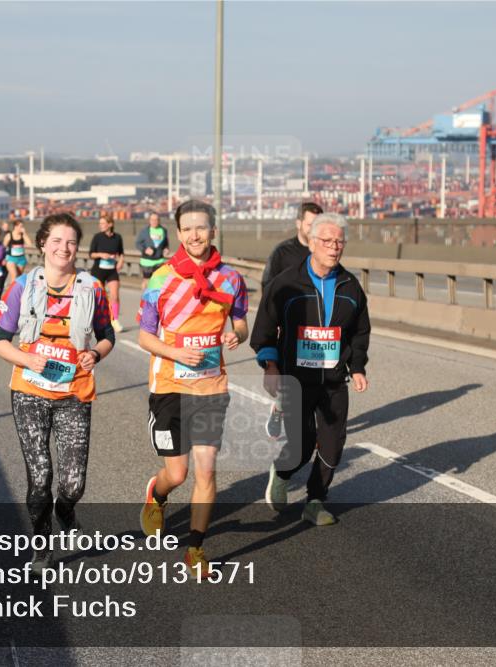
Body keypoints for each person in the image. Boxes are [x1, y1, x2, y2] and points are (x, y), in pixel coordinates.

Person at [0, 212, 115, 573]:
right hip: (29, 390)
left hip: (75, 392)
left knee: (73, 483)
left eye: (71, 242)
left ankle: (66, 510)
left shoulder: (92, 288)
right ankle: (41, 545)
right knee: (40, 476)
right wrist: (28, 360)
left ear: (78, 248)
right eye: (57, 240)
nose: (64, 248)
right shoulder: (22, 287)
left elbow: (108, 335)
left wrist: (96, 353)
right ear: (42, 243)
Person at [138, 200, 248, 575]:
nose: (194, 235)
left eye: (201, 228)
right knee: (178, 474)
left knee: (206, 472)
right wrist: (176, 353)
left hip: (211, 388)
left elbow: (241, 322)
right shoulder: (161, 278)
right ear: (179, 233)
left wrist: (238, 334)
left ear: (213, 231)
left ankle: (195, 550)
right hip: (170, 385)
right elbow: (144, 337)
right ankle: (158, 494)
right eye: (187, 229)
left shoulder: (231, 279)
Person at [250, 213, 370, 526]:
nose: (334, 247)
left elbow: (360, 331)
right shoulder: (286, 284)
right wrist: (270, 365)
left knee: (333, 443)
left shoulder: (351, 286)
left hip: (332, 380)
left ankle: (315, 500)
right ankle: (284, 472)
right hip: (295, 379)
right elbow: (264, 329)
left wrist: (357, 367)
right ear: (313, 243)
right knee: (302, 444)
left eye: (339, 242)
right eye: (328, 241)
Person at [260, 201, 324, 439]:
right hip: (288, 329)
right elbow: (268, 287)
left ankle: (315, 428)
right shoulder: (282, 253)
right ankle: (279, 409)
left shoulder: (326, 250)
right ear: (299, 223)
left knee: (318, 380)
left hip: (317, 330)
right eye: (310, 224)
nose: (314, 229)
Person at [88, 212, 125, 333]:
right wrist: (101, 254)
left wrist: (120, 262)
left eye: (103, 223)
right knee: (99, 296)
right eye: (100, 223)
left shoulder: (118, 237)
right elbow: (91, 254)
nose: (101, 225)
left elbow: (121, 253)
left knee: (115, 295)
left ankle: (114, 320)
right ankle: (95, 319)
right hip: (98, 270)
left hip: (112, 270)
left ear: (110, 224)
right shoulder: (97, 237)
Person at [134, 212, 171, 322]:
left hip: (159, 260)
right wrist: (145, 249)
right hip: (147, 261)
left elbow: (166, 244)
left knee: (160, 283)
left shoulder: (163, 230)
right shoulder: (145, 231)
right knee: (147, 282)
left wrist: (166, 249)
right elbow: (138, 243)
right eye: (152, 220)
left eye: (156, 220)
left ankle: (157, 304)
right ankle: (145, 302)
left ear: (159, 220)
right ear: (149, 221)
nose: (154, 221)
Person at [3, 219, 30, 283]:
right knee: (14, 275)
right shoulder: (9, 235)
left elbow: (29, 244)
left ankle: (15, 291)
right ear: (15, 226)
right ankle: (12, 292)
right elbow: (3, 248)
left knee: (19, 277)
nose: (22, 228)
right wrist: (4, 258)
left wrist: (25, 233)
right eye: (21, 226)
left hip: (21, 258)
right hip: (11, 258)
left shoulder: (22, 235)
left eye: (22, 226)